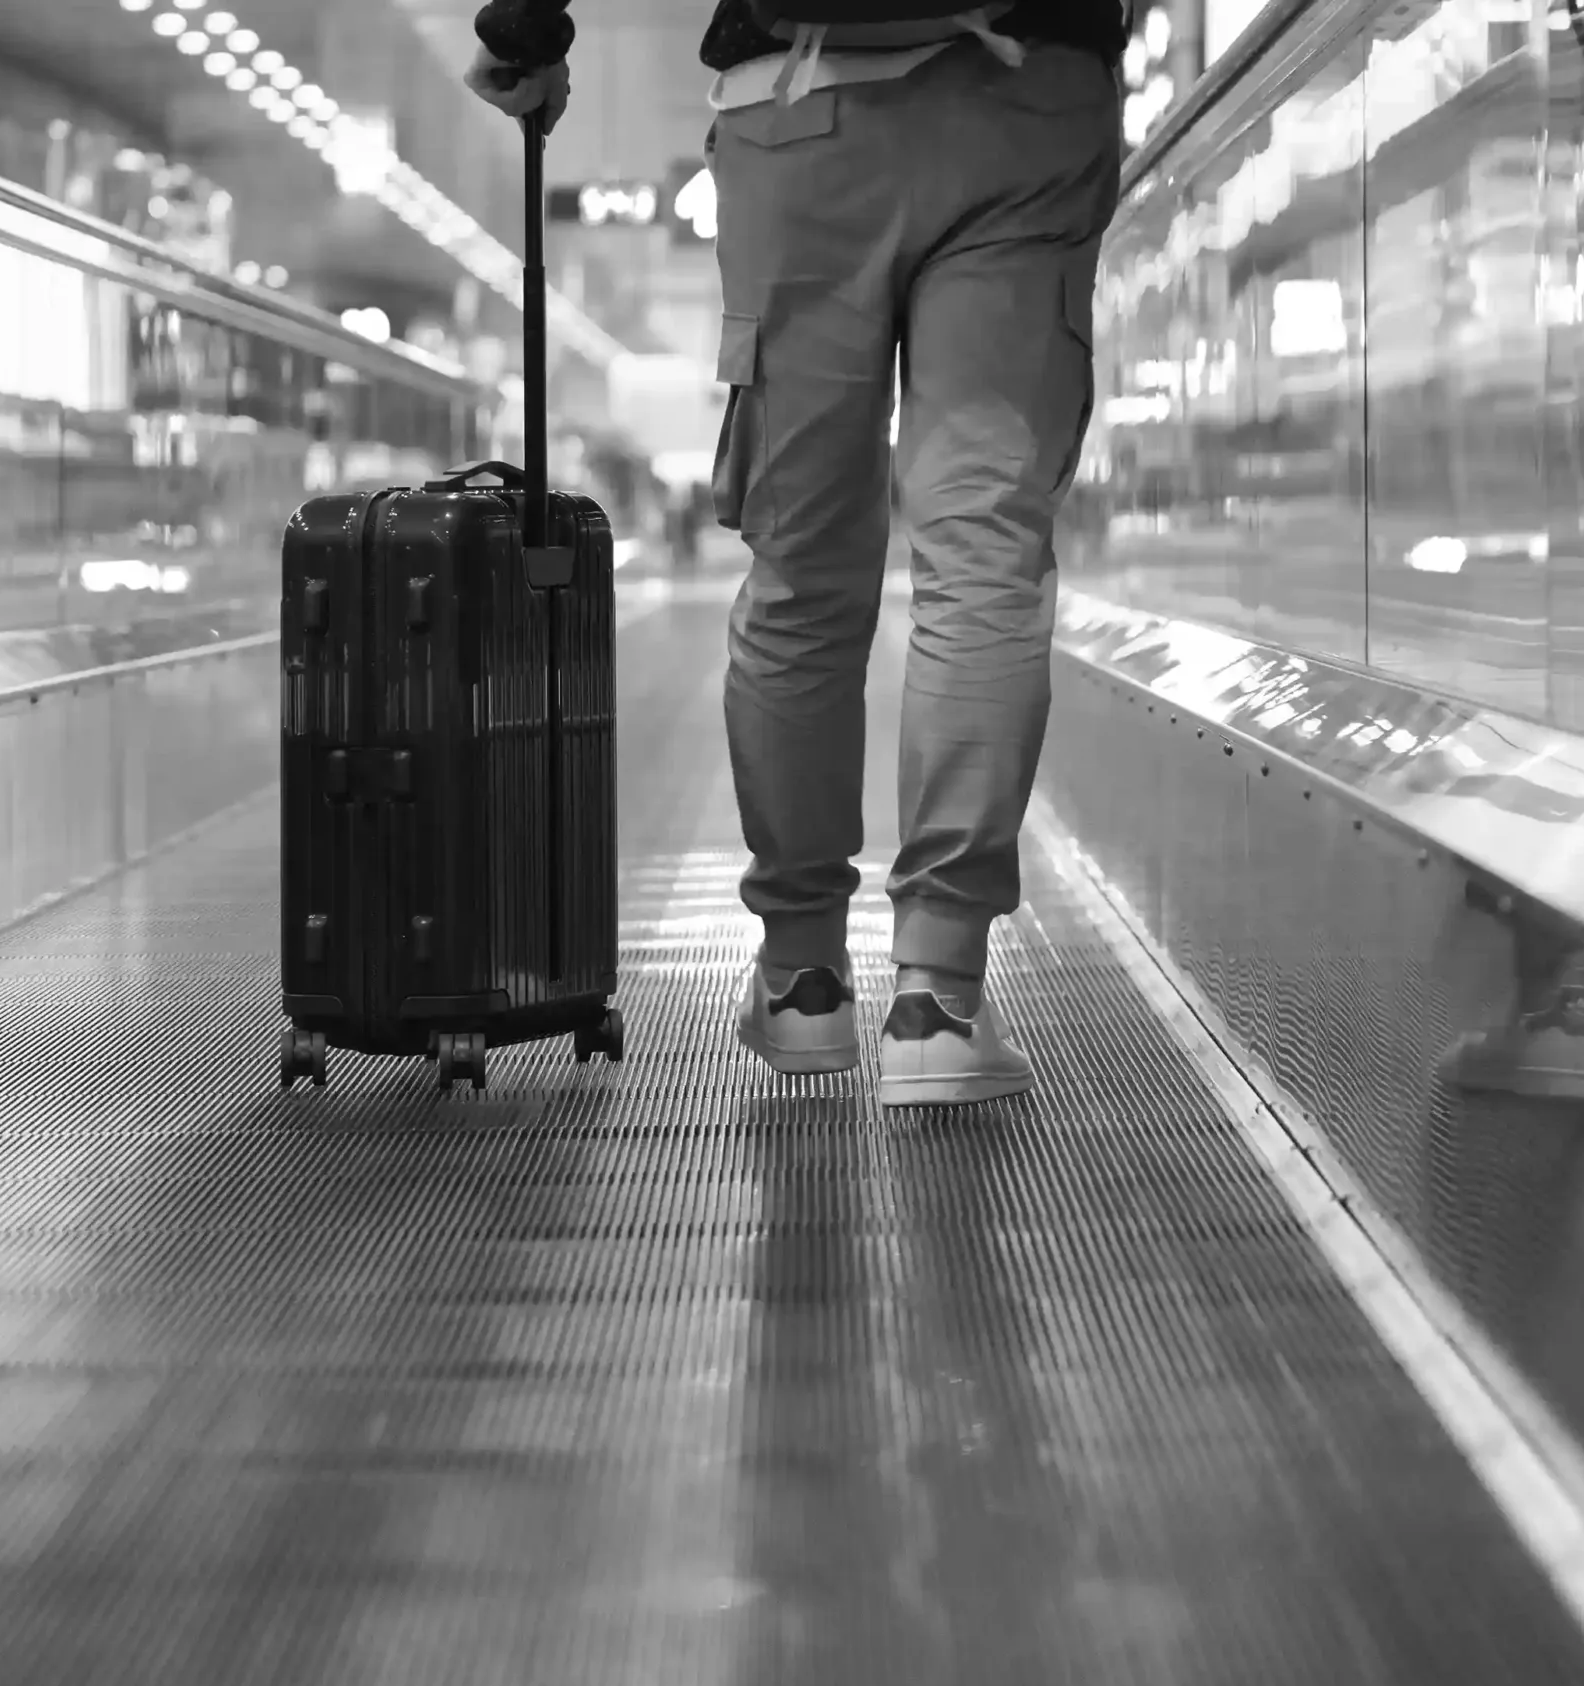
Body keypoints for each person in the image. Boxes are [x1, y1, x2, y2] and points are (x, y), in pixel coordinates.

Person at [468, 0, 1126, 1106]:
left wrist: (530, 27)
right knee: (981, 554)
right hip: (1027, 101)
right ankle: (940, 998)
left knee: (804, 567)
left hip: (800, 108)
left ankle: (804, 976)